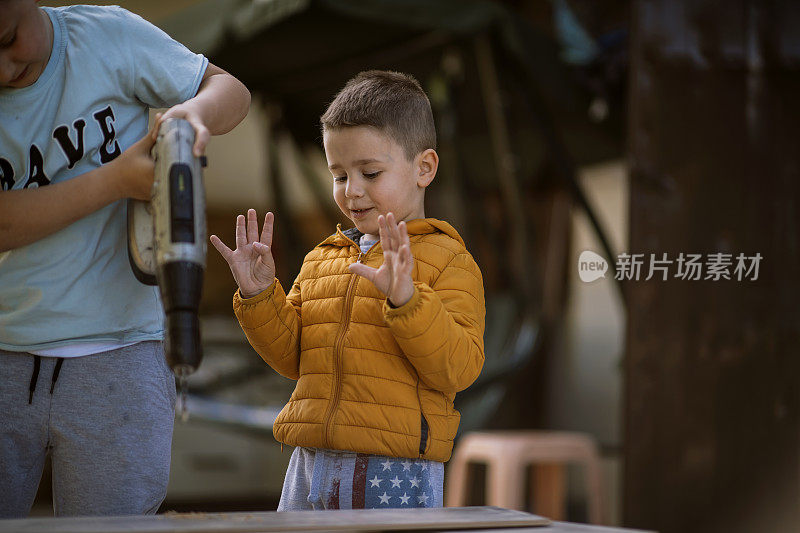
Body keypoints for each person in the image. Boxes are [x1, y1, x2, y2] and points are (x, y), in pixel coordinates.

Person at [0, 0, 250, 517]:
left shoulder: (108, 35)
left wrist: (192, 114)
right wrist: (115, 180)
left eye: (8, 40)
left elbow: (231, 90)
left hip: (124, 350)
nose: (4, 69)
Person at [211, 70, 485, 511]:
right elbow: (292, 358)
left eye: (370, 172)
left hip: (392, 468)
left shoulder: (449, 260)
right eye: (338, 175)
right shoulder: (325, 257)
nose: (352, 191)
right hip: (310, 460)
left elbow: (459, 369)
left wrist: (408, 300)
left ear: (424, 168)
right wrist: (260, 295)